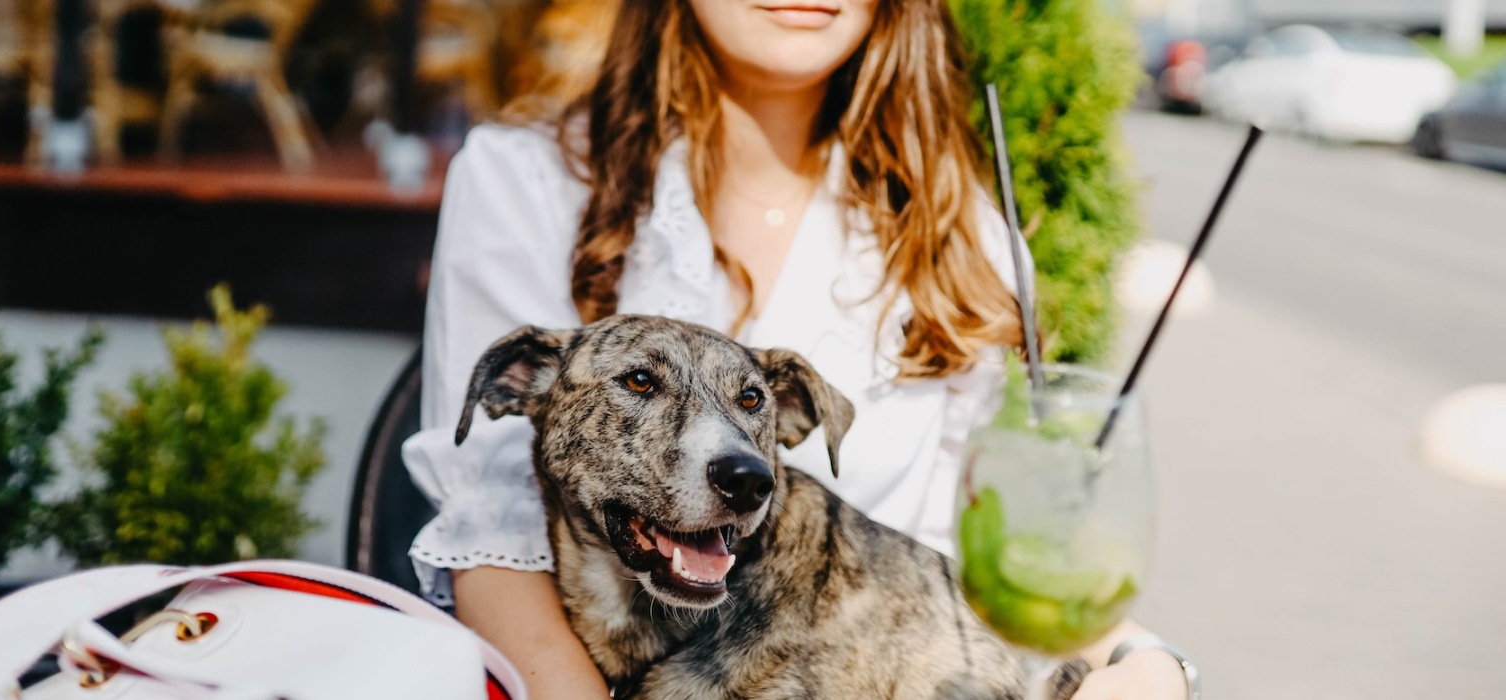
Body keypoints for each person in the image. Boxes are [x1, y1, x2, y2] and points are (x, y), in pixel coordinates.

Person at [403, 1, 1194, 698]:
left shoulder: (965, 234)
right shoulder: (528, 178)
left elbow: (989, 549)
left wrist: (1145, 659)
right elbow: (493, 522)